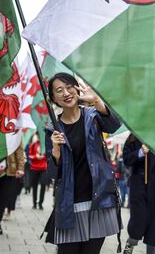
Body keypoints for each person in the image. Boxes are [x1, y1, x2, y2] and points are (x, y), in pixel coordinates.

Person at [45, 73, 121, 254]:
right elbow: (54, 174)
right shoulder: (52, 129)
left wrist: (96, 100)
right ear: (54, 98)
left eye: (69, 87)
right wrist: (56, 151)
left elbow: (113, 125)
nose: (66, 93)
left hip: (98, 200)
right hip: (69, 204)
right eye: (59, 90)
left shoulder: (92, 117)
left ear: (76, 88)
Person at [28, 132, 47, 209]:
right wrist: (36, 157)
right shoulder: (33, 145)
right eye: (38, 135)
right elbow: (30, 155)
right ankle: (34, 203)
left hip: (44, 168)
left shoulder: (46, 144)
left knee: (43, 185)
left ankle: (40, 203)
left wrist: (44, 157)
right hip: (34, 168)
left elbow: (49, 155)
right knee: (34, 186)